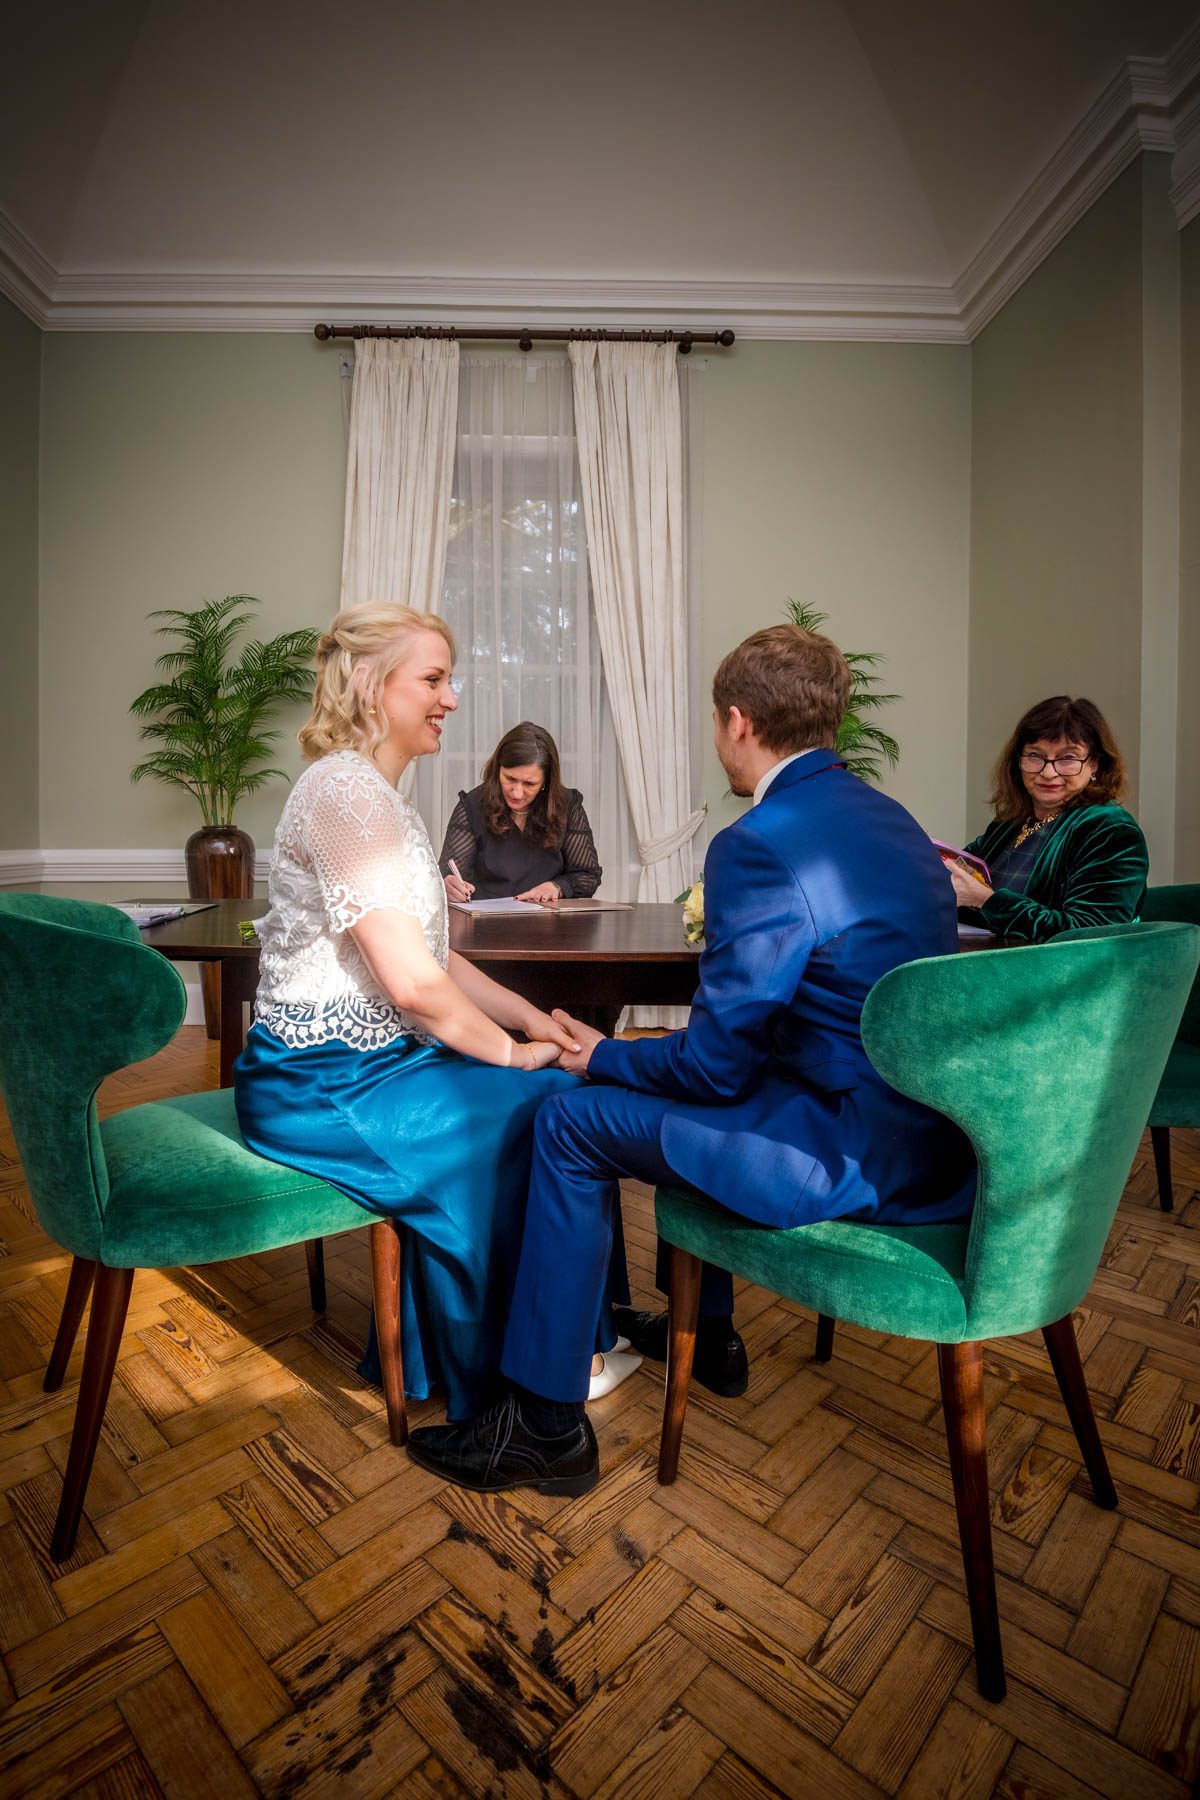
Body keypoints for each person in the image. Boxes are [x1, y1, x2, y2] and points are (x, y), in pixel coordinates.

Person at [406, 622, 977, 1495]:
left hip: (831, 1153)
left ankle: (545, 1425)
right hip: (926, 1137)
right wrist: (640, 1055)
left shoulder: (758, 841)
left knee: (568, 1121)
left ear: (737, 722)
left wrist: (603, 1056)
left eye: (716, 724)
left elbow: (714, 1070)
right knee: (667, 1092)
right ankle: (709, 1332)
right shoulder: (895, 822)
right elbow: (770, 1038)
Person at [233, 603, 580, 1420]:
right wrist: (508, 1054)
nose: (451, 698)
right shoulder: (344, 794)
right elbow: (414, 987)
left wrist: (531, 1019)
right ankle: (517, 1361)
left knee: (557, 1096)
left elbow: (437, 956)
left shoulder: (379, 797)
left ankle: (534, 1342)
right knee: (546, 1101)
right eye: (432, 678)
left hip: (371, 1063)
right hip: (317, 1081)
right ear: (368, 683)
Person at [945, 695, 1148, 940]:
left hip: (1063, 975)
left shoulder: (1112, 831)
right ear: (1018, 762)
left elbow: (1089, 935)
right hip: (992, 962)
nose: (1048, 772)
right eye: (1035, 756)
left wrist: (986, 900)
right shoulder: (1010, 824)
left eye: (1068, 758)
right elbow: (963, 888)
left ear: (1094, 764)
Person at [439, 722, 602, 906]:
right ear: (497, 769)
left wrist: (556, 887)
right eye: (510, 779)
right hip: (486, 927)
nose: (517, 793)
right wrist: (448, 885)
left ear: (546, 780)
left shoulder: (567, 805)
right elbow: (449, 875)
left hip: (549, 926)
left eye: (529, 784)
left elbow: (588, 876)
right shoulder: (472, 806)